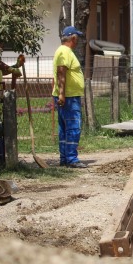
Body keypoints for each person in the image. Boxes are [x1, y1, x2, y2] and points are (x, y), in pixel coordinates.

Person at [53, 26, 87, 168]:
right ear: (72, 38)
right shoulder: (65, 51)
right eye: (77, 37)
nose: (78, 40)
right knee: (73, 127)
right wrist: (62, 93)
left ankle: (65, 158)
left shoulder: (62, 51)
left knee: (64, 128)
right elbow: (61, 71)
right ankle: (71, 159)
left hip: (66, 96)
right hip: (69, 97)